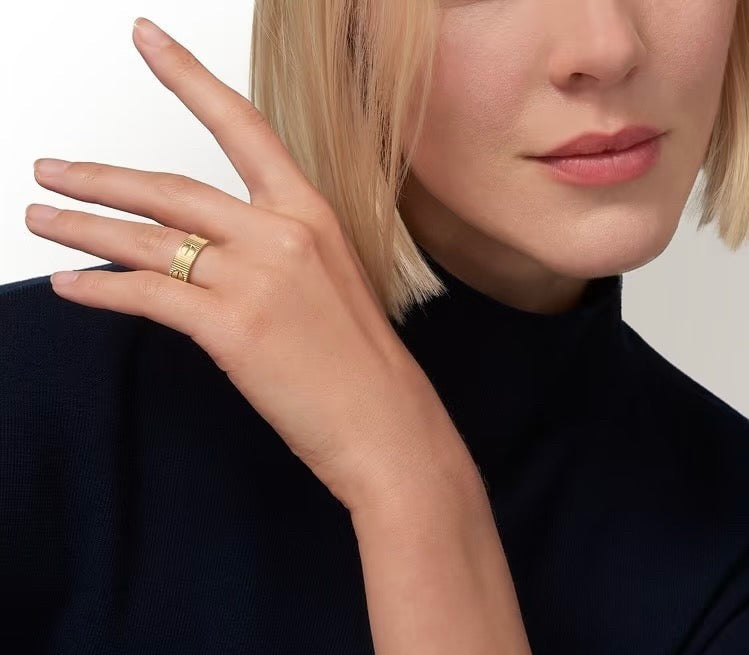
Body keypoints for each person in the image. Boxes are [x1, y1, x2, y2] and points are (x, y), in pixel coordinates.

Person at [1, 2, 748, 653]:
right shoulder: (35, 393)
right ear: (341, 27)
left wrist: (413, 488)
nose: (608, 47)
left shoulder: (726, 534)